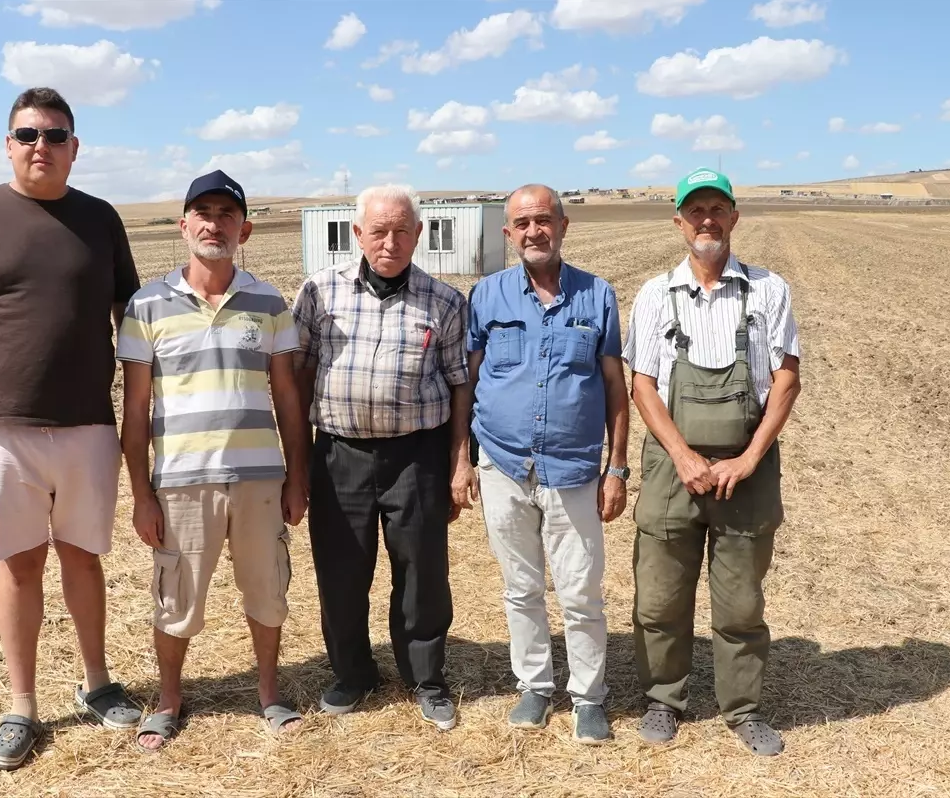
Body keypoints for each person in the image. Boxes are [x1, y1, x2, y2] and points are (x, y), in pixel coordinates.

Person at [0, 87, 143, 771]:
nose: (39, 145)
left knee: (83, 556)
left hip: (87, 426)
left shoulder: (100, 220)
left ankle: (97, 683)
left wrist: (139, 416)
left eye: (54, 134)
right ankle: (22, 705)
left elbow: (127, 324)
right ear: (7, 143)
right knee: (19, 566)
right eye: (26, 134)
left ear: (75, 146)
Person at [115, 170, 310, 750]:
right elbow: (136, 408)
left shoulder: (269, 302)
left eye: (227, 214)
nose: (214, 224)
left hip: (259, 480)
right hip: (180, 482)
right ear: (183, 226)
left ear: (243, 229)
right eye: (202, 212)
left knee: (267, 589)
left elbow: (288, 398)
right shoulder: (147, 304)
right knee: (177, 598)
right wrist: (141, 494)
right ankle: (169, 698)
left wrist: (297, 476)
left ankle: (270, 694)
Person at [622, 168, 801, 756]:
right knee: (659, 597)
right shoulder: (656, 294)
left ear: (733, 217)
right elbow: (642, 385)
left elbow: (786, 382)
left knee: (741, 601)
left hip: (745, 473)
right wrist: (684, 456)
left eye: (716, 209)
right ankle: (662, 699)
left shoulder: (768, 290)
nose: (706, 220)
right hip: (673, 470)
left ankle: (743, 709)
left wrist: (749, 458)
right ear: (678, 222)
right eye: (694, 210)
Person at [291, 184, 473, 732]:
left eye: (401, 231)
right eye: (378, 231)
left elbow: (460, 384)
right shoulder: (319, 293)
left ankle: (426, 678)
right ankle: (352, 674)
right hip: (338, 454)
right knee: (342, 570)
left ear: (419, 234)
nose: (389, 241)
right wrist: (296, 462)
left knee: (421, 571)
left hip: (416, 455)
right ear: (357, 235)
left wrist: (459, 461)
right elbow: (296, 377)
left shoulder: (444, 301)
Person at [465, 184, 629, 744]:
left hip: (575, 469)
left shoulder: (597, 295)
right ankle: (534, 686)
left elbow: (614, 387)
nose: (534, 231)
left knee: (581, 592)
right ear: (508, 233)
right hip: (503, 465)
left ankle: (589, 697)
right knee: (521, 587)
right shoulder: (486, 296)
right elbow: (468, 383)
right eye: (523, 223)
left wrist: (618, 467)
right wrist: (464, 459)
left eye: (544, 220)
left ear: (564, 225)